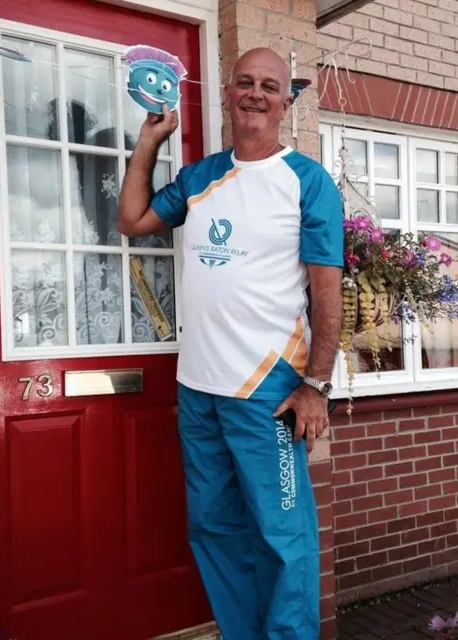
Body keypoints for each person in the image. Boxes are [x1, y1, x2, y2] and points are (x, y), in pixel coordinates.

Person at [118, 47, 343, 640]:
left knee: (282, 535)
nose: (256, 94)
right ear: (227, 92)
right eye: (245, 82)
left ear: (286, 101)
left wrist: (316, 386)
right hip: (198, 388)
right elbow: (133, 219)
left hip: (267, 389)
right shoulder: (199, 177)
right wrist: (151, 141)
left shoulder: (308, 182)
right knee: (214, 529)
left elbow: (326, 295)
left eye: (270, 86)